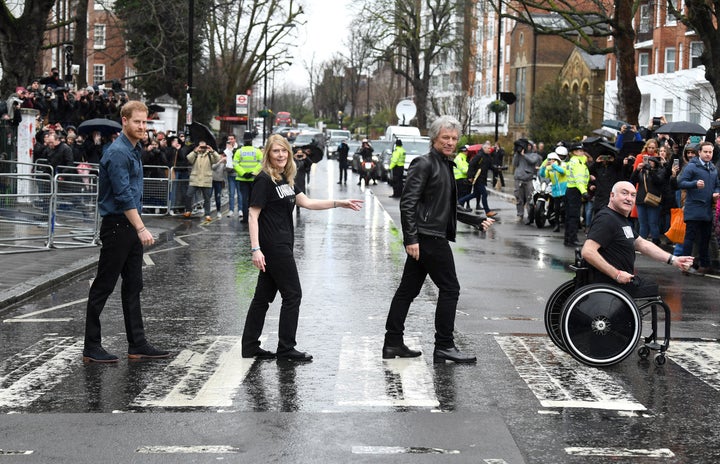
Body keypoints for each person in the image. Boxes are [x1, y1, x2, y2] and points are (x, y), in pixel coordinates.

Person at [241, 134, 363, 361]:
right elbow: (252, 215)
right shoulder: (264, 179)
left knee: (262, 298)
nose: (281, 155)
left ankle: (249, 346)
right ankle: (286, 348)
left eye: (284, 151)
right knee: (293, 294)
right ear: (268, 154)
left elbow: (307, 202)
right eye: (276, 151)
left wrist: (339, 203)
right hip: (274, 246)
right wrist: (255, 249)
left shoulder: (285, 180)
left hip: (282, 243)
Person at [382, 116, 494, 364]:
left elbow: (447, 206)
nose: (450, 142)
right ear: (434, 138)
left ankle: (392, 343)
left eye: (454, 138)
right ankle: (444, 345)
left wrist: (476, 219)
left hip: (428, 236)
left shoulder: (445, 164)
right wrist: (411, 239)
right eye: (445, 138)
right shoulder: (424, 164)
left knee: (407, 291)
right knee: (450, 289)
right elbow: (408, 203)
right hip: (429, 237)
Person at [82, 101, 170, 363]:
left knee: (134, 286)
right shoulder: (118, 152)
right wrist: (141, 227)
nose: (142, 127)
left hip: (129, 226)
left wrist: (137, 226)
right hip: (118, 227)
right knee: (103, 286)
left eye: (145, 122)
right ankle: (91, 347)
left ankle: (138, 344)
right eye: (137, 122)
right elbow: (122, 196)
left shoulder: (134, 149)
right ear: (124, 121)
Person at [582, 181, 693, 297]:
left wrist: (673, 259)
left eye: (633, 195)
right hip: (611, 284)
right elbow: (588, 251)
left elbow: (641, 243)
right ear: (612, 195)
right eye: (624, 193)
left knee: (650, 287)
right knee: (652, 289)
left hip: (621, 281)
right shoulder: (606, 219)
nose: (629, 198)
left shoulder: (619, 218)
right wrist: (617, 274)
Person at [677, 141, 720, 274]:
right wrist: (695, 184)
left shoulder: (713, 168)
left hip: (707, 208)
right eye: (705, 152)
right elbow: (681, 183)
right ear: (700, 152)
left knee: (705, 238)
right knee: (690, 238)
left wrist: (716, 192)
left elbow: (718, 184)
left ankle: (704, 264)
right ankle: (685, 265)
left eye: (710, 152)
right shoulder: (692, 167)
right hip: (694, 207)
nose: (708, 154)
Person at [630, 154, 666, 244]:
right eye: (648, 161)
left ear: (656, 163)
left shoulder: (660, 171)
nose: (649, 163)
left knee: (653, 223)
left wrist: (651, 171)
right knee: (642, 223)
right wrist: (637, 170)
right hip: (641, 200)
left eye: (652, 161)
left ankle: (655, 241)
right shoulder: (642, 171)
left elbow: (658, 181)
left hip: (653, 200)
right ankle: (642, 242)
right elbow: (633, 180)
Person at [184, 140, 221, 221]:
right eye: (201, 146)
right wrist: (195, 151)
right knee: (188, 195)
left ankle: (207, 214)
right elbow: (188, 158)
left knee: (207, 198)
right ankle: (188, 210)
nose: (202, 148)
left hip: (206, 180)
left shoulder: (209, 155)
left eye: (204, 146)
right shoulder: (195, 154)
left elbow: (218, 159)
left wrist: (212, 151)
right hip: (195, 179)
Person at [458, 141, 497, 217]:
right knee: (484, 194)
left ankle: (459, 201)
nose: (490, 150)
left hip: (483, 178)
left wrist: (498, 169)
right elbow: (471, 165)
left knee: (475, 194)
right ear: (484, 148)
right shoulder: (479, 156)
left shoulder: (488, 156)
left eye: (490, 148)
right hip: (478, 178)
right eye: (488, 148)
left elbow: (490, 166)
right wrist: (470, 177)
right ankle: (487, 211)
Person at [564, 142, 590, 246]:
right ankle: (572, 239)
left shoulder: (572, 161)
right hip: (576, 190)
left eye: (582, 150)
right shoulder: (578, 163)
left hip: (570, 190)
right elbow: (579, 179)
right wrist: (584, 192)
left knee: (569, 216)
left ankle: (568, 238)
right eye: (579, 151)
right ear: (574, 152)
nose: (582, 152)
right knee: (574, 217)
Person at [234, 133, 263, 223]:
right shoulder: (257, 151)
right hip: (254, 179)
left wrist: (243, 173)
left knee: (244, 199)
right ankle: (254, 217)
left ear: (243, 140)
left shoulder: (239, 151)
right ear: (251, 140)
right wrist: (252, 173)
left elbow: (235, 164)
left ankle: (246, 218)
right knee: (254, 199)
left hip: (242, 179)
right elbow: (261, 163)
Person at [512, 138, 542, 223]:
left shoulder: (534, 155)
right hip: (518, 179)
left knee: (530, 199)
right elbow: (514, 164)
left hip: (528, 179)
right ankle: (520, 215)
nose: (527, 147)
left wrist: (524, 155)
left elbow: (532, 161)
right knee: (519, 198)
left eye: (529, 145)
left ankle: (530, 216)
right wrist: (517, 154)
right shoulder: (518, 154)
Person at [539, 152, 567, 232]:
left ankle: (565, 223)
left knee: (565, 208)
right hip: (555, 190)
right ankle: (556, 225)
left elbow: (563, 172)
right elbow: (543, 175)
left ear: (557, 160)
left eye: (553, 159)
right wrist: (544, 167)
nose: (551, 161)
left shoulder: (563, 165)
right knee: (556, 208)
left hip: (564, 189)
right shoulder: (549, 168)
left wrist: (554, 166)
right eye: (549, 160)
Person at [223, 134, 242, 217]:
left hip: (238, 174)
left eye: (232, 139)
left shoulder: (239, 148)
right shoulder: (227, 149)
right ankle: (231, 210)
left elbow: (239, 158)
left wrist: (232, 150)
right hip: (230, 174)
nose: (230, 140)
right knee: (231, 193)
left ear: (235, 140)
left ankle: (240, 210)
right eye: (229, 139)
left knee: (239, 193)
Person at [454, 145, 471, 209]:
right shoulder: (460, 158)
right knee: (461, 195)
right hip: (460, 179)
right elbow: (464, 170)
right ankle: (459, 210)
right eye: (466, 151)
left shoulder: (463, 158)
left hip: (462, 179)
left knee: (462, 195)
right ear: (463, 151)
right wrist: (471, 172)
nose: (467, 152)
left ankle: (460, 209)